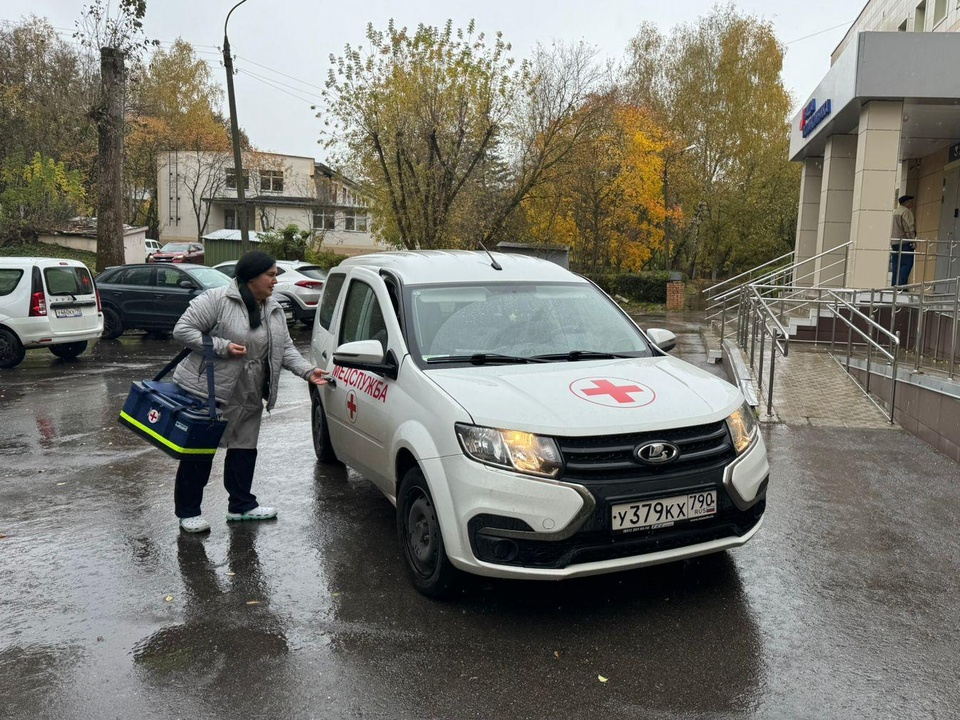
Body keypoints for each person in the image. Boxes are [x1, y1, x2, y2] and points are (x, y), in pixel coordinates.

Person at [171, 250, 327, 533]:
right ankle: (188, 511)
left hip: (250, 389)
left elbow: (285, 348)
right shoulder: (217, 299)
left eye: (276, 275)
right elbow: (182, 330)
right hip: (210, 388)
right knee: (200, 453)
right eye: (270, 274)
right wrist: (222, 346)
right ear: (251, 276)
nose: (275, 280)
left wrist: (308, 370)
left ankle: (241, 506)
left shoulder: (273, 307)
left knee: (244, 449)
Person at [891, 195, 917, 287]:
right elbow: (909, 227)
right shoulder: (906, 212)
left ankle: (894, 285)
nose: (912, 204)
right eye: (911, 202)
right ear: (907, 203)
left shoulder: (895, 212)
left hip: (895, 242)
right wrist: (913, 240)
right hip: (904, 242)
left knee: (896, 265)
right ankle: (901, 286)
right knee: (906, 264)